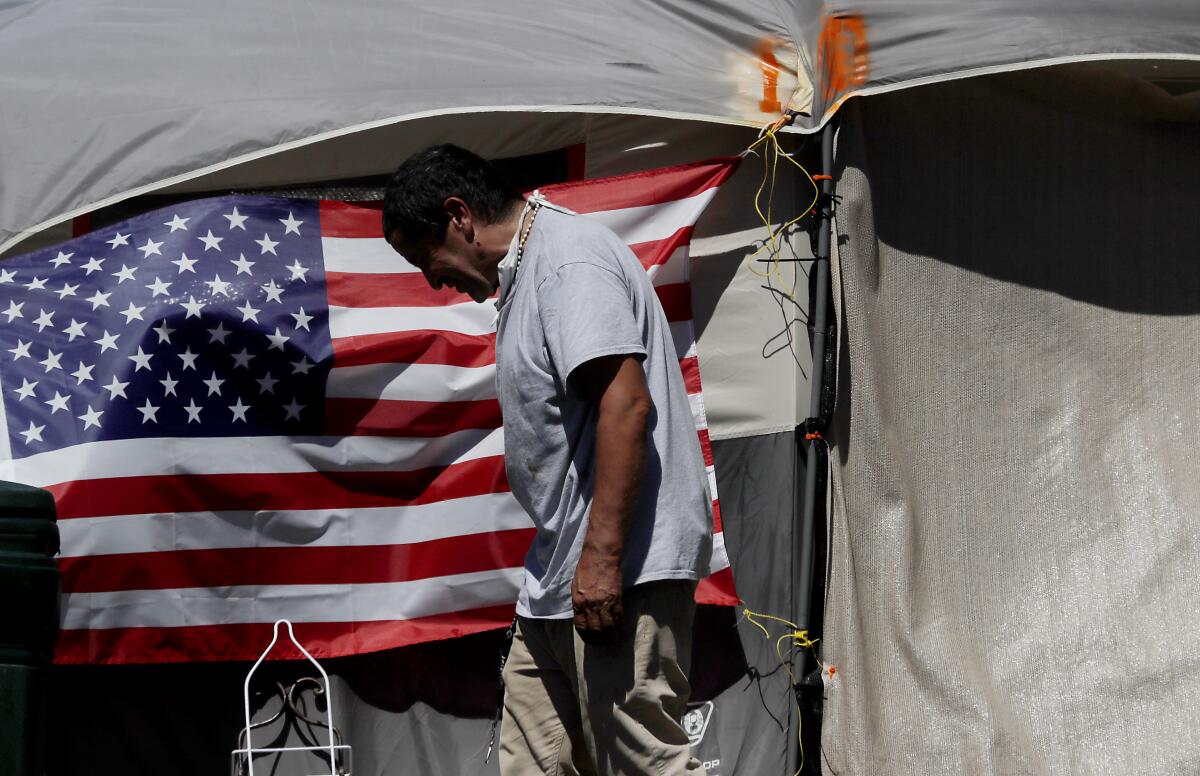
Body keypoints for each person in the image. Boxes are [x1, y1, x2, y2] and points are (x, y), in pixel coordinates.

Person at [382, 144, 713, 776]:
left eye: (426, 258)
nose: (432, 280)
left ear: (460, 216)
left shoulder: (568, 260)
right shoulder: (528, 271)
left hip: (623, 570)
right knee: (534, 763)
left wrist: (603, 559)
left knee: (646, 765)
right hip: (556, 579)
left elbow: (626, 406)